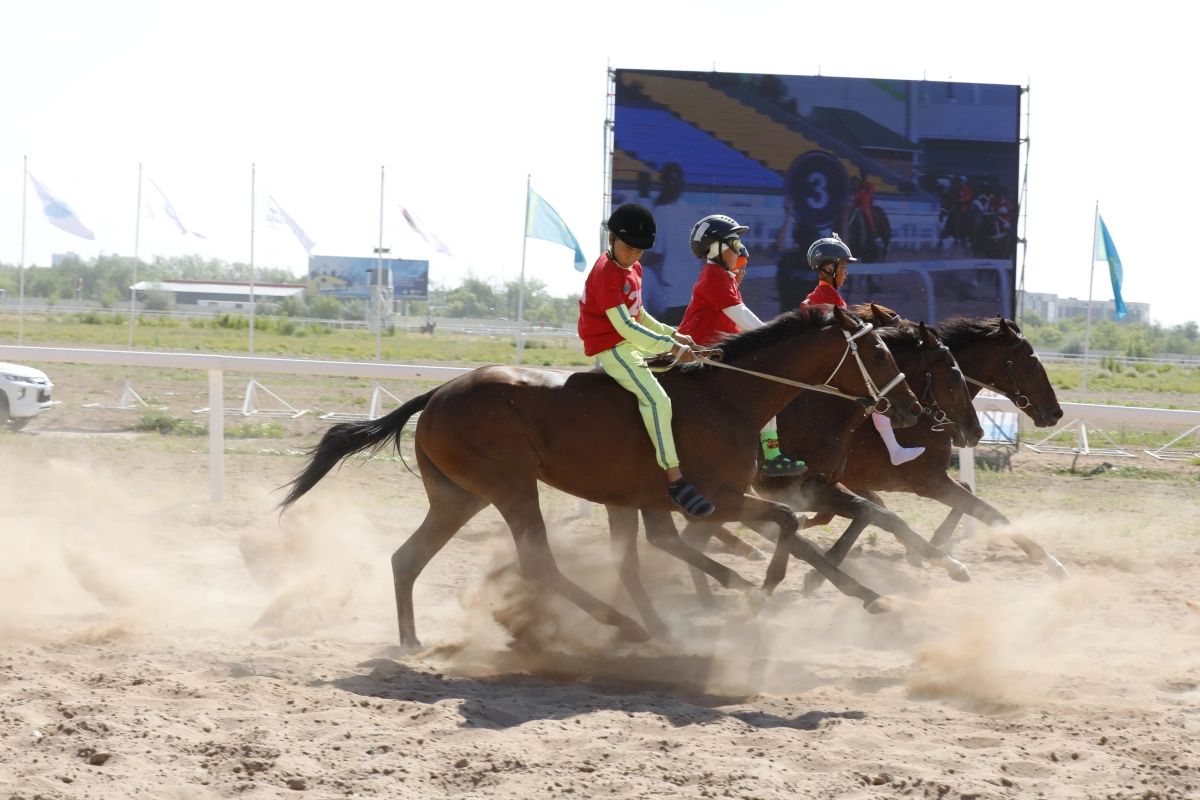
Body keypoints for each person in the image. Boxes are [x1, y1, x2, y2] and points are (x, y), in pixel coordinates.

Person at [578, 203, 715, 517]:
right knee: (659, 401)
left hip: (628, 342)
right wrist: (672, 346)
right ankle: (676, 481)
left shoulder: (633, 268)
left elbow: (638, 315)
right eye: (629, 249)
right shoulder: (605, 273)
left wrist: (676, 335)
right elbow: (624, 327)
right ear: (611, 239)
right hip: (611, 346)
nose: (634, 256)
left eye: (640, 252)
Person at [678, 214, 807, 476]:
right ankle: (765, 455)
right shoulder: (713, 276)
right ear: (716, 248)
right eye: (734, 245)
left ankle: (769, 455)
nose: (738, 253)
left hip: (712, 354)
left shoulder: (723, 277)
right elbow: (743, 318)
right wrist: (779, 337)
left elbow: (738, 326)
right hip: (696, 356)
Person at [803, 233, 925, 466]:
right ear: (829, 267)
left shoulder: (832, 298)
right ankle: (892, 450)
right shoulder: (822, 299)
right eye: (843, 266)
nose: (846, 272)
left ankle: (891, 450)